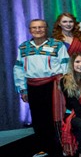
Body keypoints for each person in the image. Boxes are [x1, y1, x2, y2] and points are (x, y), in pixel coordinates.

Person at [14, 19, 70, 157]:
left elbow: (66, 65)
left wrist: (64, 86)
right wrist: (22, 89)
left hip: (53, 86)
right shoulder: (23, 47)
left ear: (46, 29)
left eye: (41, 27)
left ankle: (61, 147)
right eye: (34, 28)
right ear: (30, 30)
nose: (38, 30)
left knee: (56, 117)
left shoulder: (57, 45)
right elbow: (18, 68)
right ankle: (43, 147)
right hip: (33, 86)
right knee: (38, 118)